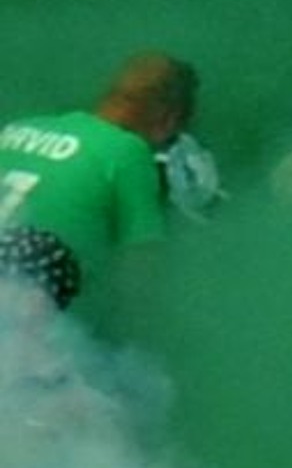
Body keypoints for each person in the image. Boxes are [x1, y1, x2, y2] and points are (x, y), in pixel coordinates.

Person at [0, 53, 196, 319]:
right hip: (24, 310)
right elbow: (140, 271)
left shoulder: (17, 128)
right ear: (168, 121)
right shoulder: (128, 150)